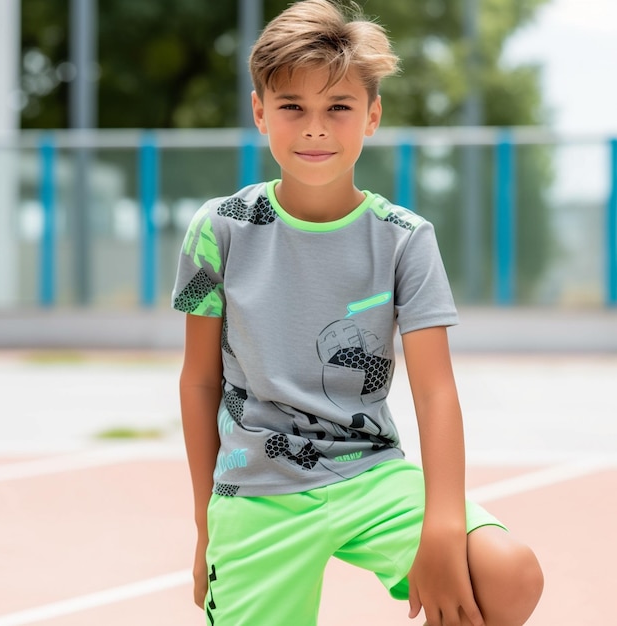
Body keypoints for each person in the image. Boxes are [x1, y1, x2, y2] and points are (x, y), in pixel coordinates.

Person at [171, 1, 544, 624]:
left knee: (506, 574)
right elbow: (200, 379)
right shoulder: (219, 229)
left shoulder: (405, 237)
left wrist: (445, 525)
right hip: (255, 489)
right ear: (261, 112)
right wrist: (206, 523)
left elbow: (435, 391)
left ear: (371, 116)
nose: (315, 127)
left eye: (338, 107)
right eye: (292, 107)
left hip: (371, 475)